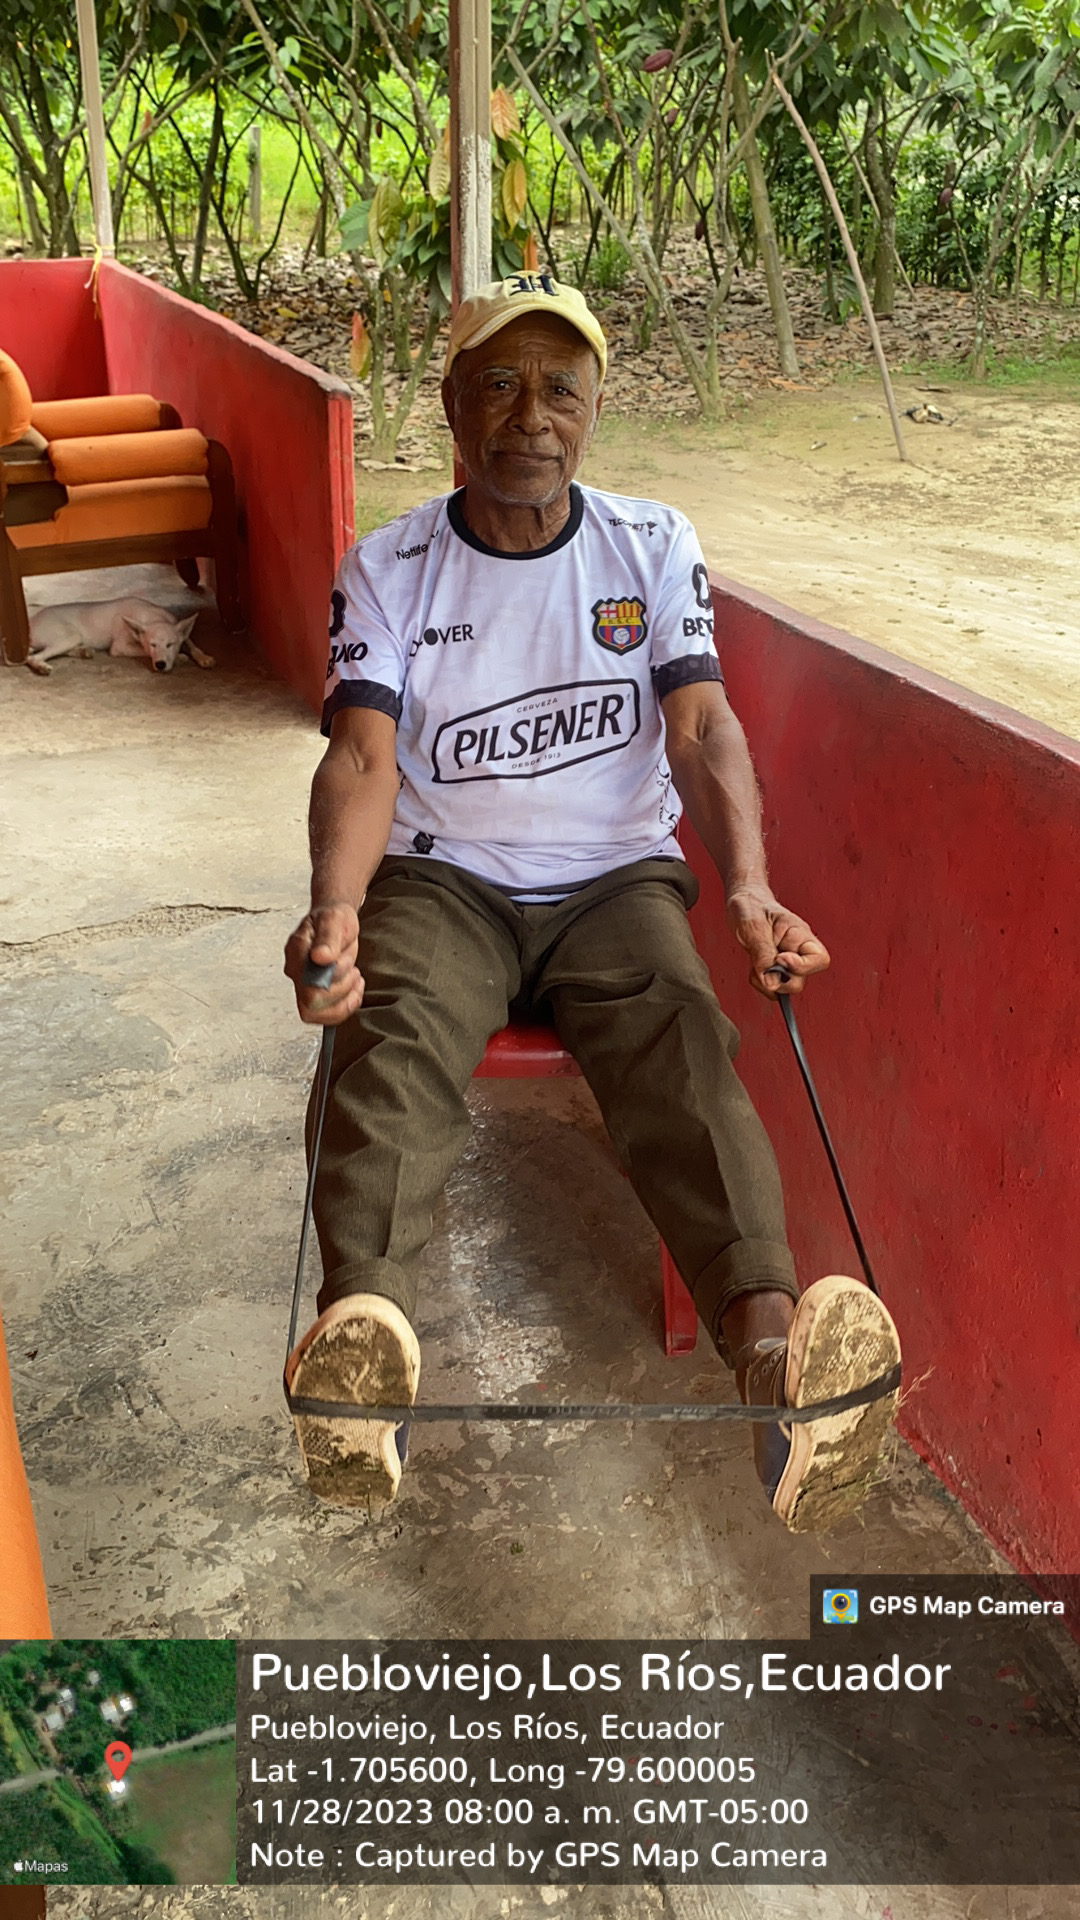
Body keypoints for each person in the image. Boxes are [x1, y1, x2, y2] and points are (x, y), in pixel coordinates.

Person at [283, 273, 901, 1529]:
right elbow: (360, 754)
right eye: (498, 385)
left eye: (560, 389)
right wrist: (336, 907)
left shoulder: (650, 546)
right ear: (450, 404)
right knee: (388, 1035)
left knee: (682, 1037)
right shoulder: (392, 566)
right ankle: (359, 1361)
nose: (531, 416)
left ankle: (777, 1375)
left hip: (614, 875)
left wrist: (751, 889)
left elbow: (703, 725)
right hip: (444, 874)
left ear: (596, 407)